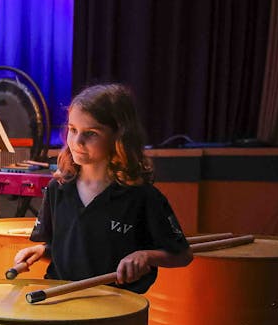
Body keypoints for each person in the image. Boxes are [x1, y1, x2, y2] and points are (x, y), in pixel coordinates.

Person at [14, 83, 192, 293]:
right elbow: (70, 247)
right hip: (59, 298)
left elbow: (182, 254)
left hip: (115, 303)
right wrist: (42, 250)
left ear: (119, 136)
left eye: (91, 133)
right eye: (73, 130)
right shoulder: (58, 188)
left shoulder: (142, 196)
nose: (77, 141)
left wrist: (146, 256)